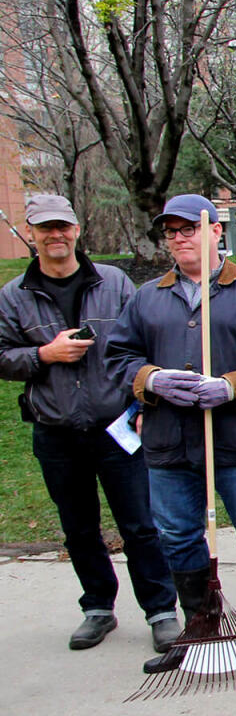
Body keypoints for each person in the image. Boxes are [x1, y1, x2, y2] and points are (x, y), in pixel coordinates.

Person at [105, 194, 236, 675]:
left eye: (188, 228)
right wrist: (151, 379)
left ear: (216, 232)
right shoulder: (147, 297)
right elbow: (117, 358)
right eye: (170, 231)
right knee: (176, 534)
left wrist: (232, 385)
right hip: (169, 444)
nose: (178, 237)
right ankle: (200, 625)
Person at [0, 194, 177, 652]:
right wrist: (44, 354)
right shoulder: (14, 296)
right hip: (56, 430)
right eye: (45, 228)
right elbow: (2, 356)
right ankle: (97, 607)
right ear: (31, 234)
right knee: (79, 526)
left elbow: (145, 344)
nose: (55, 235)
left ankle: (161, 610)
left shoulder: (115, 283)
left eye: (63, 226)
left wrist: (141, 408)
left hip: (116, 426)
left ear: (77, 230)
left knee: (140, 524)